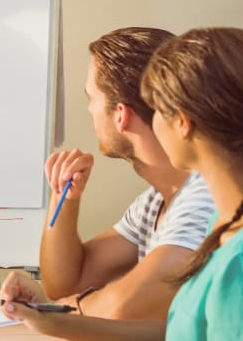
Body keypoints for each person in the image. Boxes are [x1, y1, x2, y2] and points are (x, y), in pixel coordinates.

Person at [0, 27, 243, 341]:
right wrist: (54, 322)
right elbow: (188, 337)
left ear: (183, 122)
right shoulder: (235, 228)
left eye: (157, 109)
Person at [39, 27, 214, 319]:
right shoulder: (153, 203)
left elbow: (123, 305)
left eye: (91, 98)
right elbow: (64, 283)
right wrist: (64, 198)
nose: (90, 111)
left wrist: (48, 311)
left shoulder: (205, 195)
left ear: (121, 115)